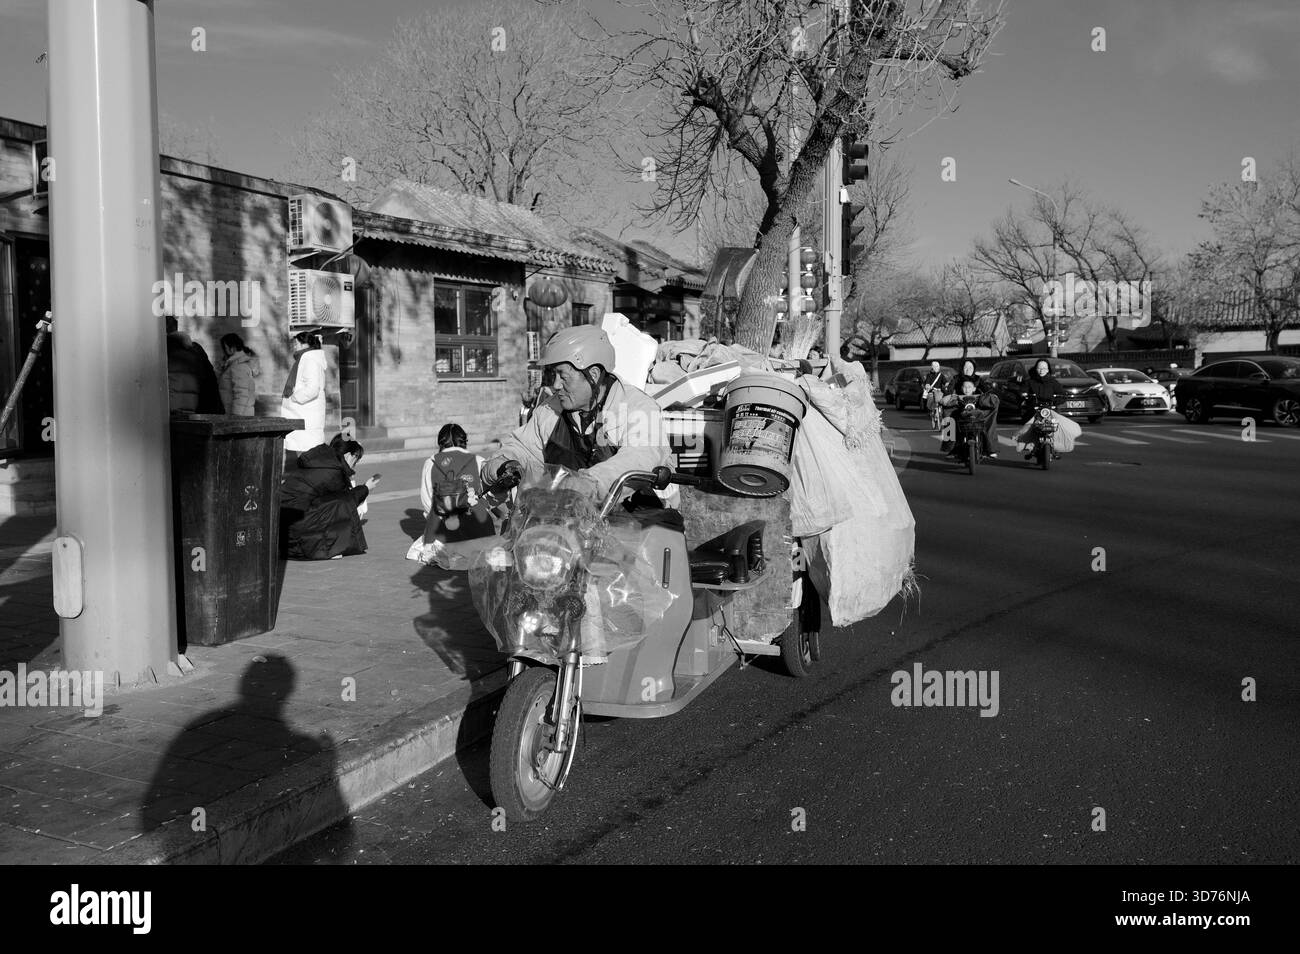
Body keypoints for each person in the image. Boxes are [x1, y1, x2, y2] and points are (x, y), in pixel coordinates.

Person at [481, 325, 670, 499]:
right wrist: (504, 465)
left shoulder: (638, 408)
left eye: (563, 376)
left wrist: (589, 483)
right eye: (552, 375)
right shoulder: (550, 410)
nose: (555, 385)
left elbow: (641, 457)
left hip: (636, 519)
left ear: (593, 375)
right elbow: (523, 448)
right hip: (569, 519)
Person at [409, 423, 499, 567]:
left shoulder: (431, 463)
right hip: (480, 531)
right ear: (464, 442)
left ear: (440, 443)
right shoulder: (479, 461)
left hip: (446, 531)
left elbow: (427, 502)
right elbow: (491, 497)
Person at [279, 436, 378, 560]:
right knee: (342, 503)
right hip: (297, 533)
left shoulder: (321, 461)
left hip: (283, 530)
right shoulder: (333, 471)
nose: (355, 465)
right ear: (348, 455)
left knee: (332, 504)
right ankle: (328, 548)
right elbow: (347, 500)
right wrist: (366, 488)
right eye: (356, 459)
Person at [281, 332, 327, 468]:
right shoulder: (307, 358)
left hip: (305, 413)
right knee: (307, 453)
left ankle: (312, 483)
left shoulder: (309, 359)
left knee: (308, 453)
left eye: (296, 343)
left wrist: (295, 398)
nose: (294, 346)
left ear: (304, 344)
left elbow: (312, 389)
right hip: (305, 413)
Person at [165, 316, 224, 414]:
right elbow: (210, 385)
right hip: (193, 417)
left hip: (166, 417)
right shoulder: (195, 350)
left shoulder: (158, 352)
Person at [1017, 358, 1067, 459]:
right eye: (1039, 368)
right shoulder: (1030, 382)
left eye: (1044, 368)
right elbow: (1022, 392)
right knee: (1029, 426)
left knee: (1057, 425)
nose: (1041, 370)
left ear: (1048, 370)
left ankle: (1055, 447)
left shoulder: (1053, 382)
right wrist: (1024, 395)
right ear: (1036, 369)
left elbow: (1062, 394)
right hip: (1034, 409)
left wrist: (1056, 401)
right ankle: (1030, 446)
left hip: (1050, 408)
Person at [940, 379, 999, 459]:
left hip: (977, 424)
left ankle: (989, 450)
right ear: (961, 388)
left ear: (974, 388)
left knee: (986, 430)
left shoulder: (980, 397)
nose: (967, 389)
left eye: (969, 387)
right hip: (962, 424)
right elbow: (945, 402)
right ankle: (954, 450)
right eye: (965, 387)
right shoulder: (957, 397)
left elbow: (992, 401)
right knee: (953, 427)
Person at [217, 332, 261, 417]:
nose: (224, 351)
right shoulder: (233, 365)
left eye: (225, 348)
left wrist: (236, 417)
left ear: (232, 348)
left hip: (238, 417)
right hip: (235, 415)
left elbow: (242, 393)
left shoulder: (238, 366)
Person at [920, 360, 949, 425]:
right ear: (932, 367)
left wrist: (947, 384)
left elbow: (945, 382)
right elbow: (927, 382)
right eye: (935, 367)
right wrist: (927, 385)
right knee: (930, 400)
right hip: (932, 391)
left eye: (937, 366)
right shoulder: (929, 375)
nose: (936, 368)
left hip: (939, 392)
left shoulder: (941, 375)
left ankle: (942, 413)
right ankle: (932, 412)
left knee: (943, 401)